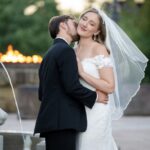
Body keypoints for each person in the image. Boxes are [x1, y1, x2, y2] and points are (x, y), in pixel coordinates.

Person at [74, 8, 148, 150]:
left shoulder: (99, 49)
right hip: (79, 108)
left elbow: (109, 86)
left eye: (91, 24)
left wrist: (82, 73)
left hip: (96, 109)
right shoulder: (74, 49)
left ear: (96, 31)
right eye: (84, 19)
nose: (85, 24)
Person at [34, 15, 107, 150]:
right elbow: (72, 86)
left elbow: (41, 93)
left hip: (53, 122)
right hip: (63, 122)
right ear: (63, 25)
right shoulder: (66, 51)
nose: (78, 25)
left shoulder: (49, 54)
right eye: (73, 23)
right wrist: (96, 96)